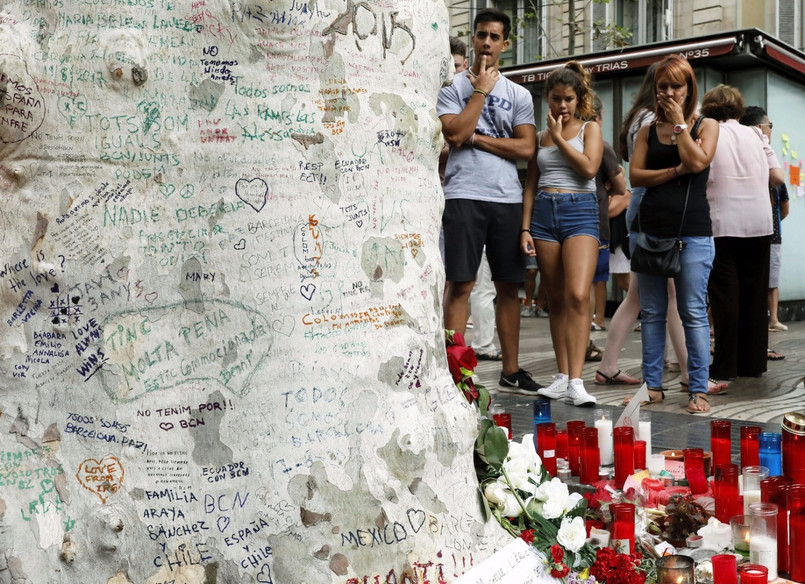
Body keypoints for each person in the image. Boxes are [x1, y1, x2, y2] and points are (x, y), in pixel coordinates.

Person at [438, 8, 541, 394]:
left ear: (505, 44)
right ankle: (457, 372)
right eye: (481, 35)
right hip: (464, 193)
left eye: (494, 37)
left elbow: (527, 147)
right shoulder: (453, 88)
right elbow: (453, 133)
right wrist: (480, 90)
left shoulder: (519, 94)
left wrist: (477, 139)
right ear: (474, 37)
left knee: (509, 285)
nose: (486, 43)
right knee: (461, 283)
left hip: (506, 199)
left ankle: (511, 370)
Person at [628, 54, 719, 414]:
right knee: (651, 312)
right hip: (650, 230)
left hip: (693, 233)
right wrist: (674, 170)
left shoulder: (706, 125)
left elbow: (698, 162)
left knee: (692, 312)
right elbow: (635, 176)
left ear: (688, 88)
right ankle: (653, 387)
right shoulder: (648, 130)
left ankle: (698, 389)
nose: (668, 92)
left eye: (676, 86)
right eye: (662, 86)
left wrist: (681, 124)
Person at [521, 61, 603, 407]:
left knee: (578, 295)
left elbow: (588, 168)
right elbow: (531, 183)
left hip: (580, 211)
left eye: (569, 99)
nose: (562, 106)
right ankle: (561, 376)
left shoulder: (590, 129)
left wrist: (558, 139)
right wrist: (524, 227)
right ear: (548, 100)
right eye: (556, 99)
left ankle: (577, 380)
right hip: (543, 214)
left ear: (578, 98)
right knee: (554, 299)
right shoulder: (539, 137)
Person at [702, 87, 784, 380]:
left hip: (722, 224)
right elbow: (777, 177)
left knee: (726, 298)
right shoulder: (758, 135)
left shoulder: (707, 133)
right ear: (738, 109)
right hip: (760, 224)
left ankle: (725, 366)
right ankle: (753, 364)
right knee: (754, 296)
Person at [739, 106, 790, 338]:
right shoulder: (759, 155)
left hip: (767, 233)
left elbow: (784, 205)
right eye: (770, 126)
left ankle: (773, 319)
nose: (770, 130)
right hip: (750, 233)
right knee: (751, 283)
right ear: (759, 128)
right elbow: (778, 177)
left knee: (769, 279)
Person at [590, 95, 628, 334]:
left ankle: (598, 320)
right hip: (602, 228)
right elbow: (621, 190)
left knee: (600, 279)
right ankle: (597, 320)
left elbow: (623, 193)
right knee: (599, 279)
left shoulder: (602, 149)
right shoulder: (601, 147)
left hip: (610, 231)